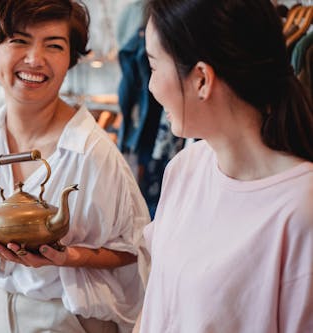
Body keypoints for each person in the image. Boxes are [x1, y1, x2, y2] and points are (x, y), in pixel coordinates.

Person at [0, 1, 150, 332]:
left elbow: (132, 248)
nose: (35, 59)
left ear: (70, 59)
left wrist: (68, 257)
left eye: (54, 45)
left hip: (69, 319)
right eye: (19, 40)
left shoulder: (91, 150)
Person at [134, 0, 313, 332]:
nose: (150, 86)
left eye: (155, 66)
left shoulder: (300, 210)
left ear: (201, 78)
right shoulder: (184, 169)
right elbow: (156, 304)